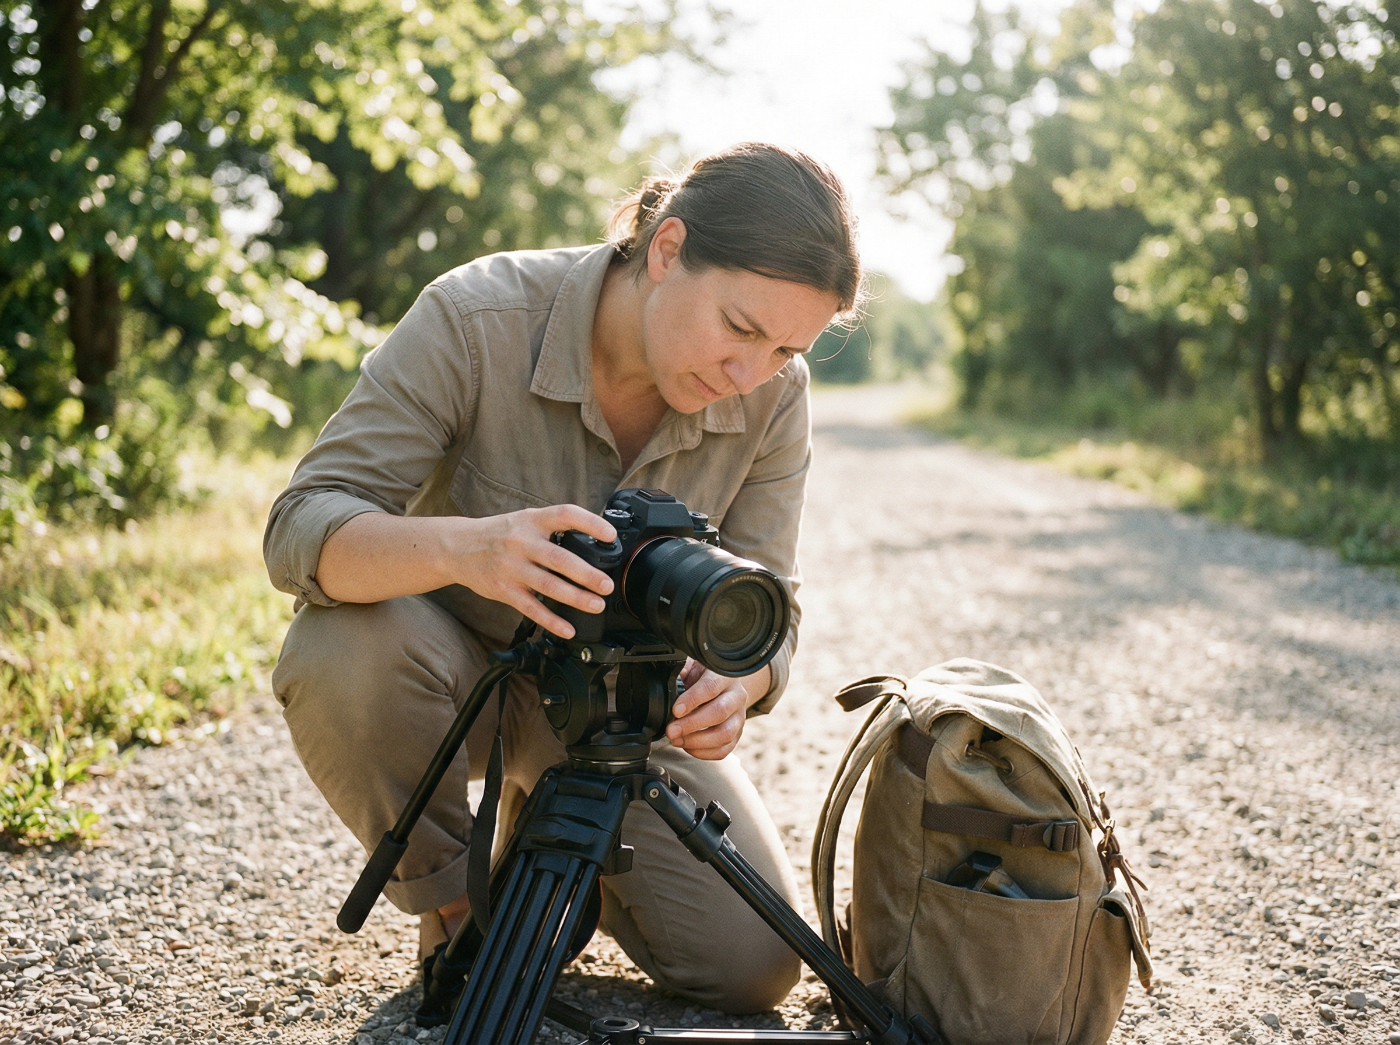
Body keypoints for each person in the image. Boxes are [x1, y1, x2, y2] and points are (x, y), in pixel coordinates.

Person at [263, 142, 862, 1013]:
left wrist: (744, 675)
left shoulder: (775, 392)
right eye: (739, 328)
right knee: (341, 644)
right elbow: (300, 525)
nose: (748, 374)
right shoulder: (476, 319)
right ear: (666, 250)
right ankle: (460, 905)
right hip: (452, 676)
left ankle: (549, 826)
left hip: (620, 712)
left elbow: (771, 594)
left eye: (783, 349)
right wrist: (469, 549)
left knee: (753, 969)